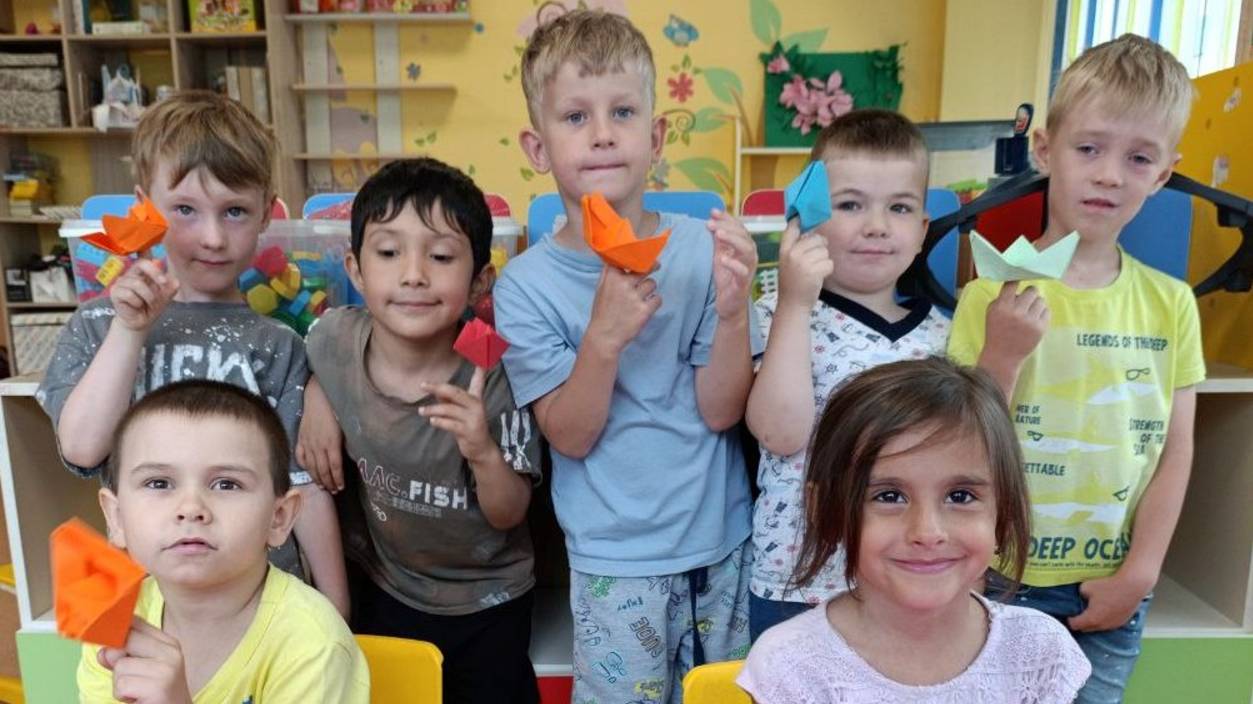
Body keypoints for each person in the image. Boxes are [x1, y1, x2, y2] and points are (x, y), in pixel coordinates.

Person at [493, 8, 762, 702]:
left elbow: (721, 411)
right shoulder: (524, 285)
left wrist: (734, 312)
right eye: (575, 117)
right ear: (538, 147)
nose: (603, 133)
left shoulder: (700, 250)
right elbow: (570, 435)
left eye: (622, 111)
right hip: (614, 561)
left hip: (721, 543)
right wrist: (603, 338)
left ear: (656, 136)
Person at [948, 34, 1203, 702]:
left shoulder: (1172, 304)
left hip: (1111, 585)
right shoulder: (988, 294)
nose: (1110, 174)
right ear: (1044, 149)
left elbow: (1176, 450)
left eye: (1138, 157)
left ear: (1163, 174)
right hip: (995, 580)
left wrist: (1141, 572)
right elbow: (959, 446)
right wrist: (1001, 355)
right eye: (1089, 148)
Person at [36, 91, 348, 615]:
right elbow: (83, 449)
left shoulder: (278, 343)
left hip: (262, 603)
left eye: (235, 211)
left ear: (266, 212)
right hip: (145, 603)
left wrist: (337, 612)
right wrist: (130, 329)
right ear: (145, 206)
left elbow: (305, 489)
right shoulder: (99, 325)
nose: (213, 238)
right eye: (184, 209)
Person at [296, 158, 542, 704]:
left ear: (480, 281)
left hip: (487, 598)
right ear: (355, 270)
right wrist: (317, 397)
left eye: (441, 256)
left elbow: (509, 513)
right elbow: (315, 359)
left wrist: (481, 449)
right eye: (389, 253)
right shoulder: (334, 340)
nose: (413, 275)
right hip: (387, 585)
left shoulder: (491, 371)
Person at [738, 358, 1090, 703]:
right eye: (889, 496)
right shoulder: (791, 666)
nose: (928, 531)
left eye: (960, 496)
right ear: (825, 509)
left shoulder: (1039, 650)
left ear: (1005, 509)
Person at [745, 109, 951, 639]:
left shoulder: (946, 335)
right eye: (850, 204)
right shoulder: (776, 314)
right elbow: (779, 433)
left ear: (922, 230)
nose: (876, 225)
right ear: (808, 217)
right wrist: (795, 302)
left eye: (899, 207)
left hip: (909, 582)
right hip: (797, 586)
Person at [78, 380, 369, 703]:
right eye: (159, 483)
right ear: (117, 517)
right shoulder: (116, 621)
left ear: (279, 518)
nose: (191, 508)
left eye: (227, 484)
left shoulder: (313, 643)